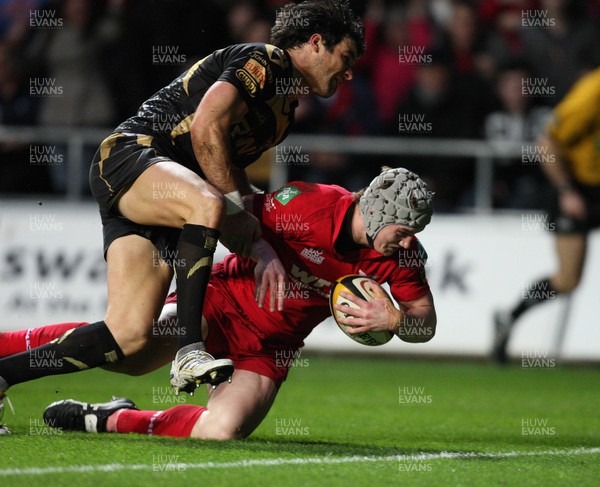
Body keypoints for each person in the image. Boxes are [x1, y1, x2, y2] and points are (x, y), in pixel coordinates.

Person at [0, 0, 366, 416]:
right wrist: (239, 220)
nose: (349, 71)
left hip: (170, 198)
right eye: (346, 57)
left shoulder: (284, 114)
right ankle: (191, 349)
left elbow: (229, 174)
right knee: (208, 202)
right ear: (316, 43)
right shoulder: (265, 60)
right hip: (131, 156)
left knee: (130, 341)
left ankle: (3, 375)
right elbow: (205, 129)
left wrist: (259, 243)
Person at [2, 168, 436, 439]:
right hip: (218, 302)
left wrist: (397, 319)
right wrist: (261, 249)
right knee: (129, 350)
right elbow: (230, 214)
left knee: (222, 431)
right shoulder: (310, 205)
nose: (410, 239)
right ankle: (7, 345)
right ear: (379, 211)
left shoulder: (402, 257)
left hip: (269, 346)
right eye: (404, 228)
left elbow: (426, 324)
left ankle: (110, 418)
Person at [492, 67, 600, 363]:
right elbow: (546, 142)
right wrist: (566, 190)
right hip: (578, 188)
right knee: (567, 280)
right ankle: (510, 317)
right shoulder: (593, 91)